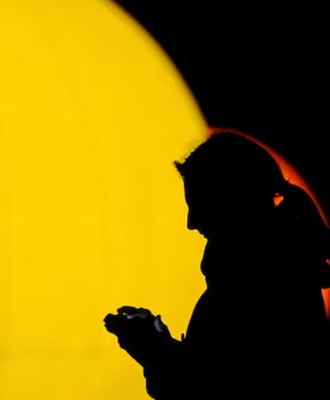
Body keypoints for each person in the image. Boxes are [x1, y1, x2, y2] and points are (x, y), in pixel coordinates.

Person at [104, 130, 330, 399]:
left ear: (232, 201)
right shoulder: (284, 271)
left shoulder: (251, 288)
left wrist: (153, 350)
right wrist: (160, 345)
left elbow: (208, 387)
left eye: (199, 204)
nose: (191, 222)